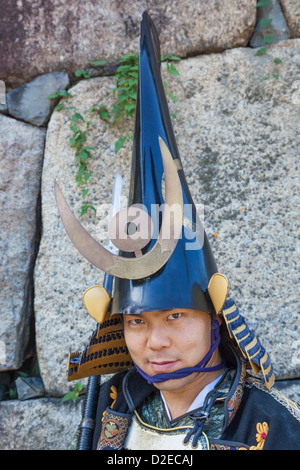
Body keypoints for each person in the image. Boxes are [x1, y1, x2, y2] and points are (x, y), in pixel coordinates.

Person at [56, 12, 300, 451]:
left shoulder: (273, 425)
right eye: (136, 321)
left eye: (175, 315)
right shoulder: (114, 404)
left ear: (214, 318)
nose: (155, 342)